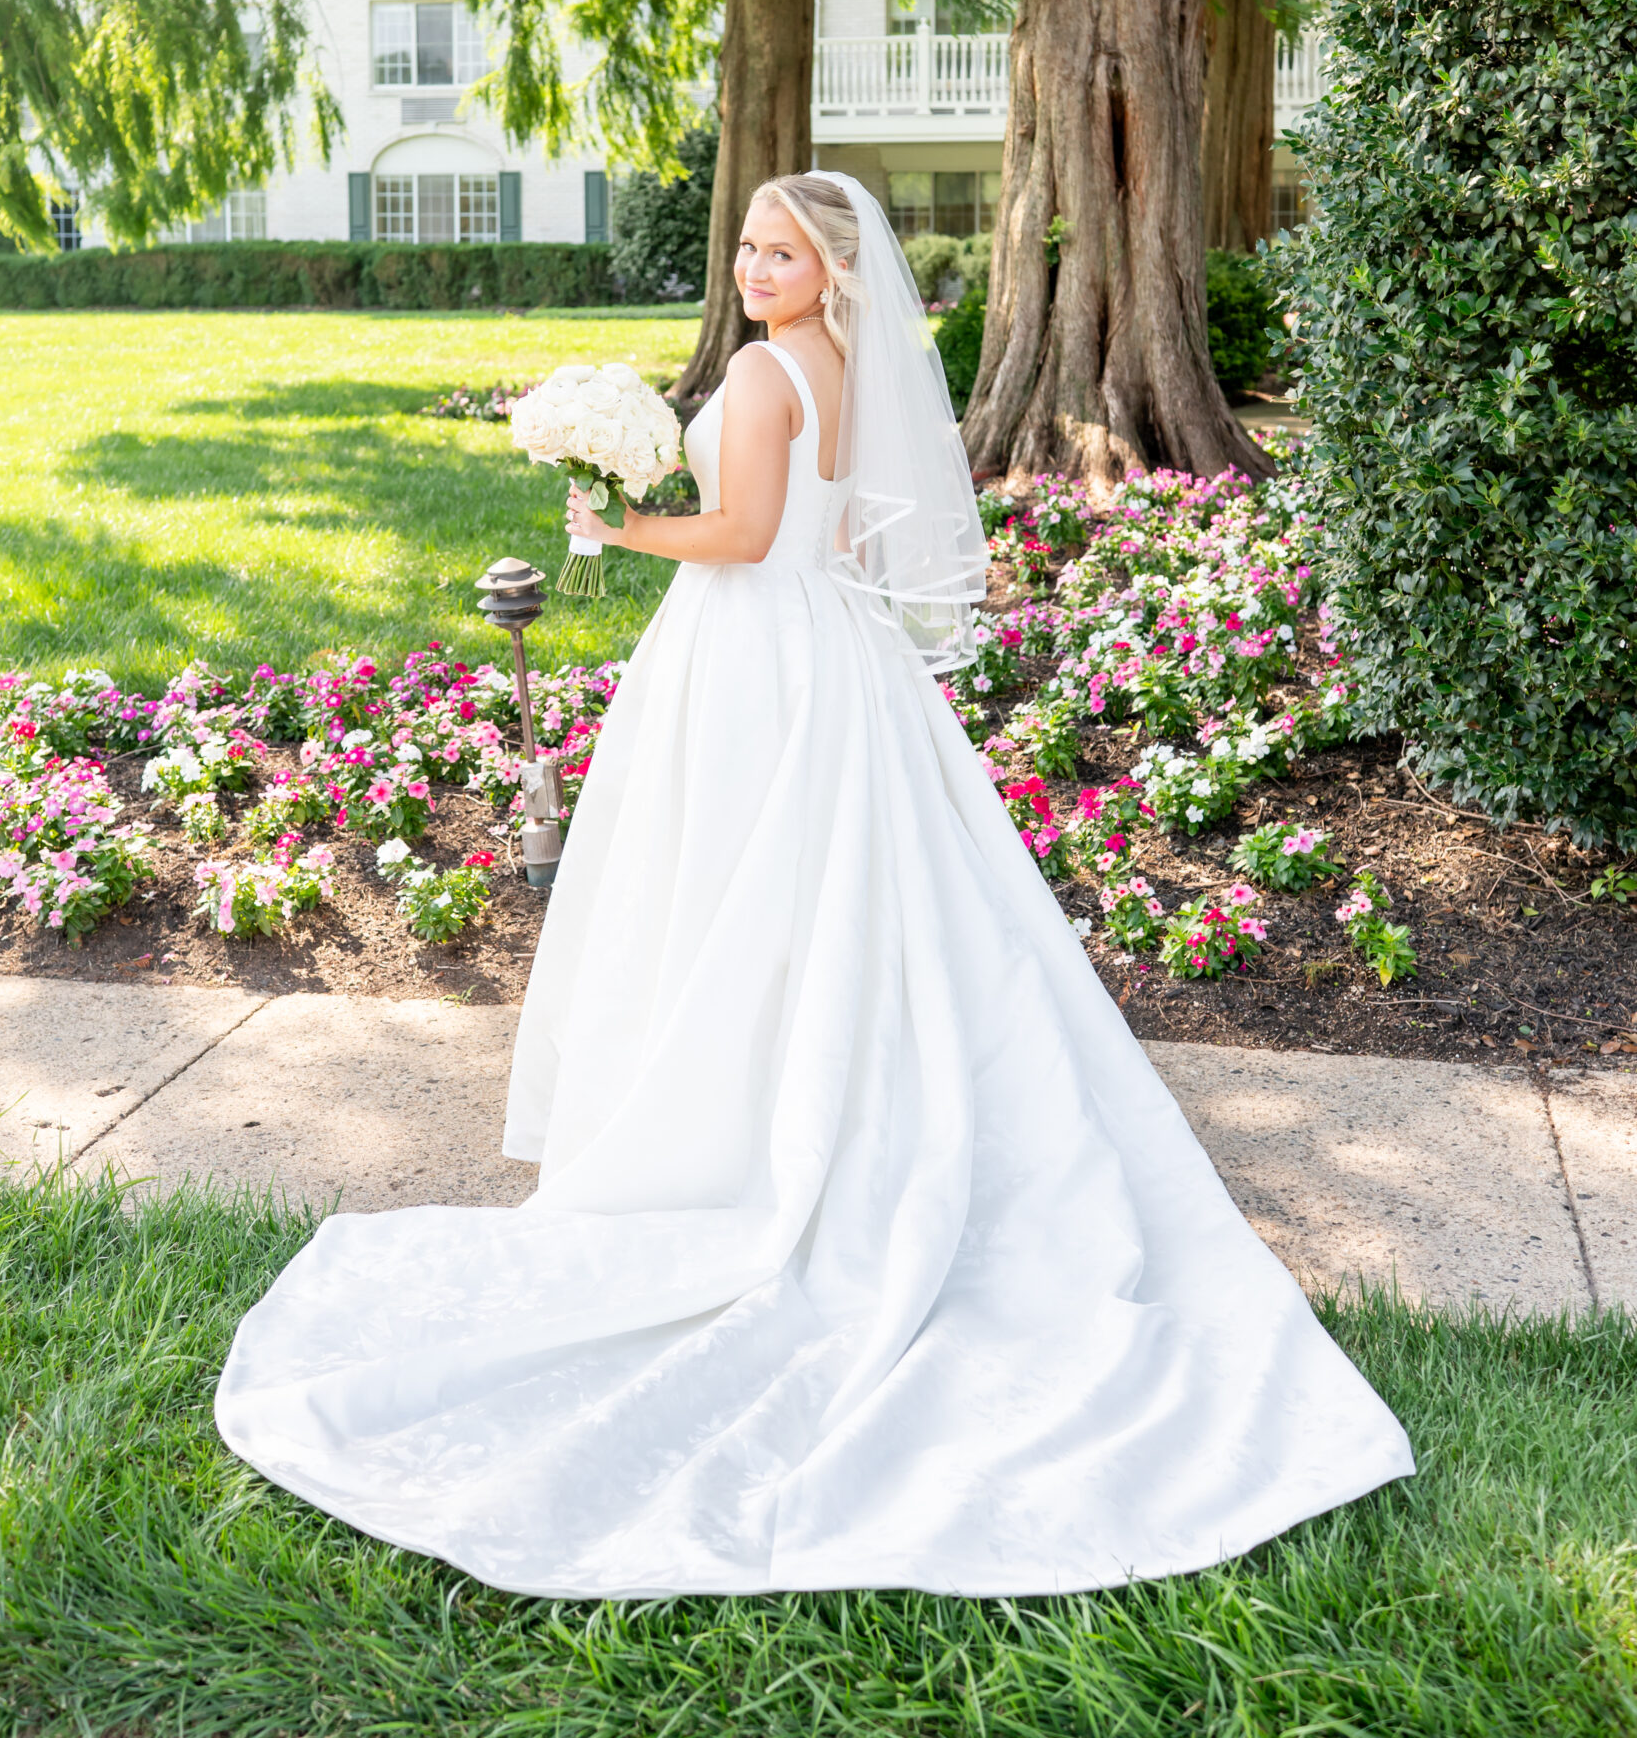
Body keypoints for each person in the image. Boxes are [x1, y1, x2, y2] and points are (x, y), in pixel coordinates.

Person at [217, 171, 1413, 1596]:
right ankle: (796, 1101)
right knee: (834, 906)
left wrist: (617, 529)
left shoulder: (769, 374)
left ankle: (739, 1140)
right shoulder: (842, 367)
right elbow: (839, 540)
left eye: (781, 252)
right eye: (747, 247)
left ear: (832, 268)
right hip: (831, 653)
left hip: (750, 657)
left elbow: (737, 539)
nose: (755, 266)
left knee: (742, 901)